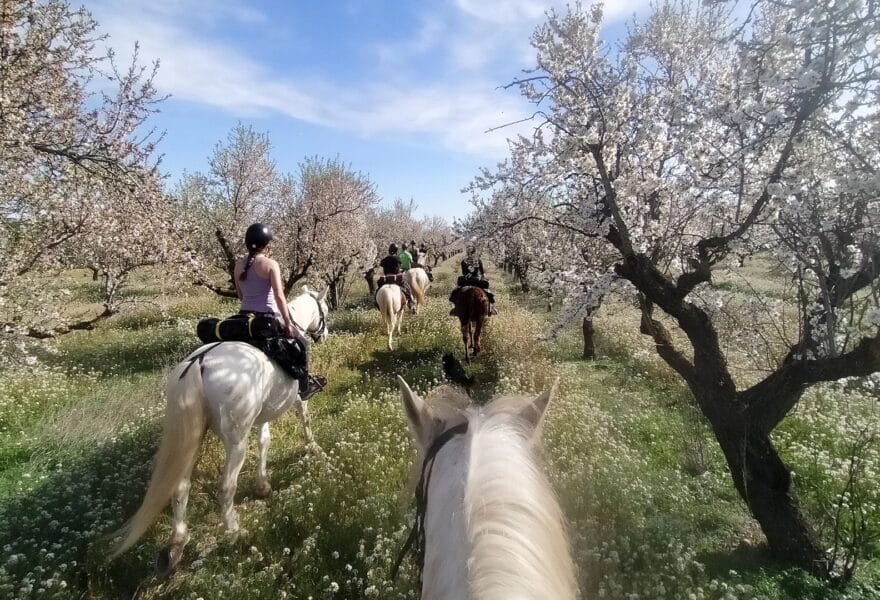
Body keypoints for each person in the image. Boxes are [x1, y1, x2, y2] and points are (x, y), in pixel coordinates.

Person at [234, 223, 326, 399]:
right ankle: (304, 387)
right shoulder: (270, 264)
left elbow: (241, 295)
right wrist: (289, 323)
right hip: (267, 319)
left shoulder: (238, 265)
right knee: (302, 344)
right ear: (267, 245)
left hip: (243, 318)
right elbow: (279, 296)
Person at [449, 243, 497, 316]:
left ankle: (455, 309)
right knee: (488, 290)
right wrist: (484, 278)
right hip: (477, 280)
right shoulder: (478, 260)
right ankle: (490, 308)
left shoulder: (463, 261)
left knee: (455, 291)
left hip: (466, 280)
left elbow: (464, 272)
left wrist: (468, 275)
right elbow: (482, 272)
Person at [379, 243, 415, 309]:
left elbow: (382, 266)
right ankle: (411, 299)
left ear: (389, 250)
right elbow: (398, 269)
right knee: (407, 287)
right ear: (396, 250)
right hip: (395, 279)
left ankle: (376, 301)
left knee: (378, 287)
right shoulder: (397, 258)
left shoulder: (384, 259)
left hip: (387, 279)